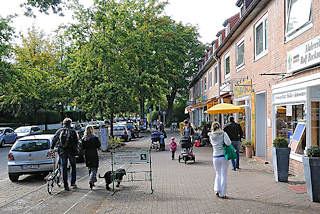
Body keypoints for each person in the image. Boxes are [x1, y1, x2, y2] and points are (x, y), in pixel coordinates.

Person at [51, 118, 79, 191]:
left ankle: (66, 185)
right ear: (70, 123)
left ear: (63, 123)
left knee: (64, 167)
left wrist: (52, 148)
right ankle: (73, 182)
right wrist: (76, 150)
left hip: (62, 151)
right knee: (73, 166)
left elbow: (54, 139)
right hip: (71, 151)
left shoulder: (59, 131)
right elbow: (76, 142)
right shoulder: (73, 131)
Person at [209, 122, 232, 199]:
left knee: (218, 174)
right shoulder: (223, 134)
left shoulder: (211, 135)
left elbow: (212, 144)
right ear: (219, 126)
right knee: (224, 175)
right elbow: (228, 143)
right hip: (223, 156)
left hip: (215, 156)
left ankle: (217, 189)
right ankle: (223, 193)